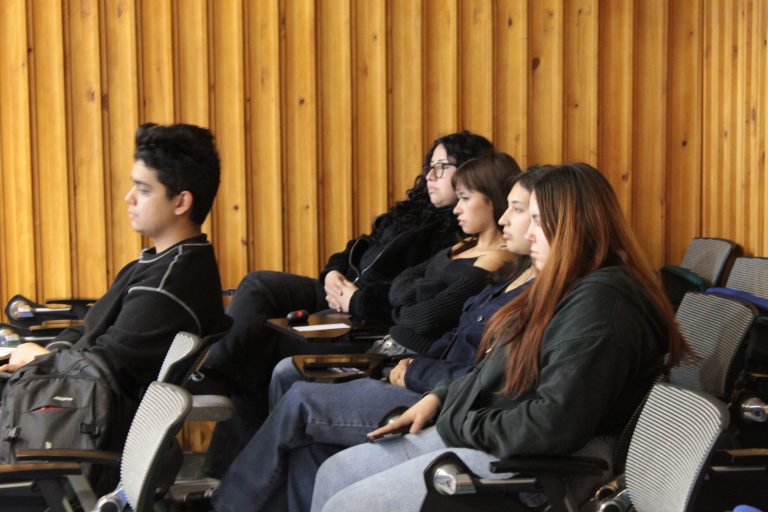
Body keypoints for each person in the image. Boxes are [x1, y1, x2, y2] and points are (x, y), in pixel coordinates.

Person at [311, 163, 692, 512]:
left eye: (538, 220)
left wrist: (457, 418)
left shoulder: (602, 303)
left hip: (539, 466)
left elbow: (552, 426)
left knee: (346, 504)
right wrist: (440, 398)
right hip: (498, 433)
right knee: (335, 472)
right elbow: (501, 363)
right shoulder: (569, 285)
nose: (525, 231)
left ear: (572, 228)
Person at [204, 166, 546, 512]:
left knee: (298, 395)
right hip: (405, 360)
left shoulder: (507, 268)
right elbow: (402, 288)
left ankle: (227, 505)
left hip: (418, 375)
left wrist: (414, 365)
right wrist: (406, 303)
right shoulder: (467, 250)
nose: (505, 218)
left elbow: (425, 321)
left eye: (518, 211)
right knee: (287, 386)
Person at [202, 131, 495, 474]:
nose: (430, 176)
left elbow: (413, 306)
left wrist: (357, 301)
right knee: (258, 285)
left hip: (370, 319)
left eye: (442, 167)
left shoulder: (457, 239)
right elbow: (357, 251)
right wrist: (332, 275)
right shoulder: (412, 214)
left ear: (473, 175)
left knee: (259, 349)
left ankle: (229, 470)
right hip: (342, 292)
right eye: (430, 166)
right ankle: (218, 377)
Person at [1, 122, 229, 414]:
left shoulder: (167, 288)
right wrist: (47, 354)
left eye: (144, 190)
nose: (129, 197)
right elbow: (91, 331)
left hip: (72, 418)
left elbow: (103, 371)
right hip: (66, 403)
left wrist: (39, 360)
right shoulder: (161, 264)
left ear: (181, 202)